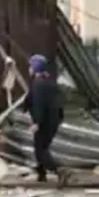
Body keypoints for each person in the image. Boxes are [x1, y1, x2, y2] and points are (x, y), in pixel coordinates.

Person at [26, 54, 70, 186]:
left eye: (30, 66)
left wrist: (37, 122)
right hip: (52, 120)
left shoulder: (38, 83)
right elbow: (57, 101)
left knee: (40, 149)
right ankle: (41, 174)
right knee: (40, 146)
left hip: (45, 121)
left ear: (35, 67)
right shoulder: (48, 81)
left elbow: (39, 103)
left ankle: (59, 170)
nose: (29, 69)